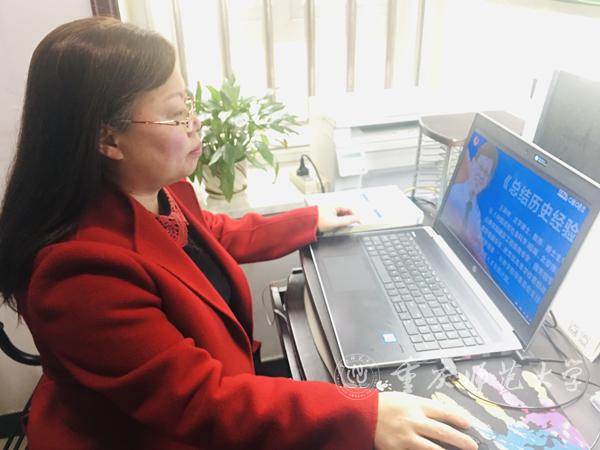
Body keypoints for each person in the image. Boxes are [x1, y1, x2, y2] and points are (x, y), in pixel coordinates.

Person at [0, 17, 478, 450]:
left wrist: (307, 220)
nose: (195, 122)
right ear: (108, 138)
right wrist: (364, 413)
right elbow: (199, 399)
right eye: (175, 113)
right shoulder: (79, 271)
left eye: (189, 104)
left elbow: (206, 235)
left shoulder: (156, 191)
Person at [443, 142, 499, 267]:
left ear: (488, 181)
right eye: (480, 167)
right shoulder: (452, 194)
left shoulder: (476, 215)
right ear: (472, 163)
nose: (481, 175)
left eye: (486, 173)